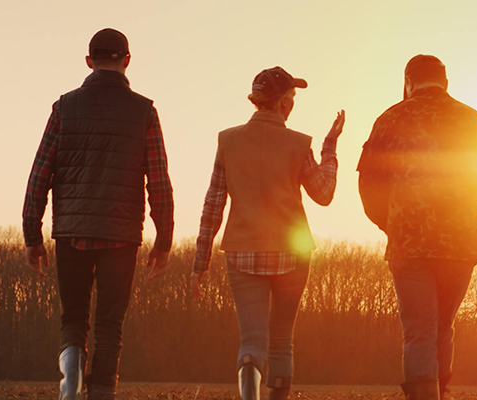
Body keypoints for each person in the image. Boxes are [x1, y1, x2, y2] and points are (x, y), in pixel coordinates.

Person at [21, 28, 174, 400]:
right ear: (127, 61)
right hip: (121, 235)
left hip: (71, 231)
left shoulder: (64, 108)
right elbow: (159, 180)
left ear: (89, 61)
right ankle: (101, 392)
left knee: (73, 317)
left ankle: (71, 367)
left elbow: (40, 173)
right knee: (109, 325)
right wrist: (164, 240)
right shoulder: (144, 112)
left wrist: (32, 236)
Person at [357, 55, 477, 400]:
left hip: (408, 246)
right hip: (460, 246)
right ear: (445, 81)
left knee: (418, 332)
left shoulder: (390, 119)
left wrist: (391, 224)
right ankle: (440, 392)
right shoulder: (474, 121)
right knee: (443, 327)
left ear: (409, 82)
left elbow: (368, 183)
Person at [190, 66, 344, 400]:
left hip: (242, 252)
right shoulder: (299, 144)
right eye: (292, 98)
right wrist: (330, 147)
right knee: (281, 342)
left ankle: (249, 387)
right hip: (293, 253)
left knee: (252, 341)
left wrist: (199, 264)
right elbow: (324, 193)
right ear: (284, 104)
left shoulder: (228, 141)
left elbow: (212, 205)